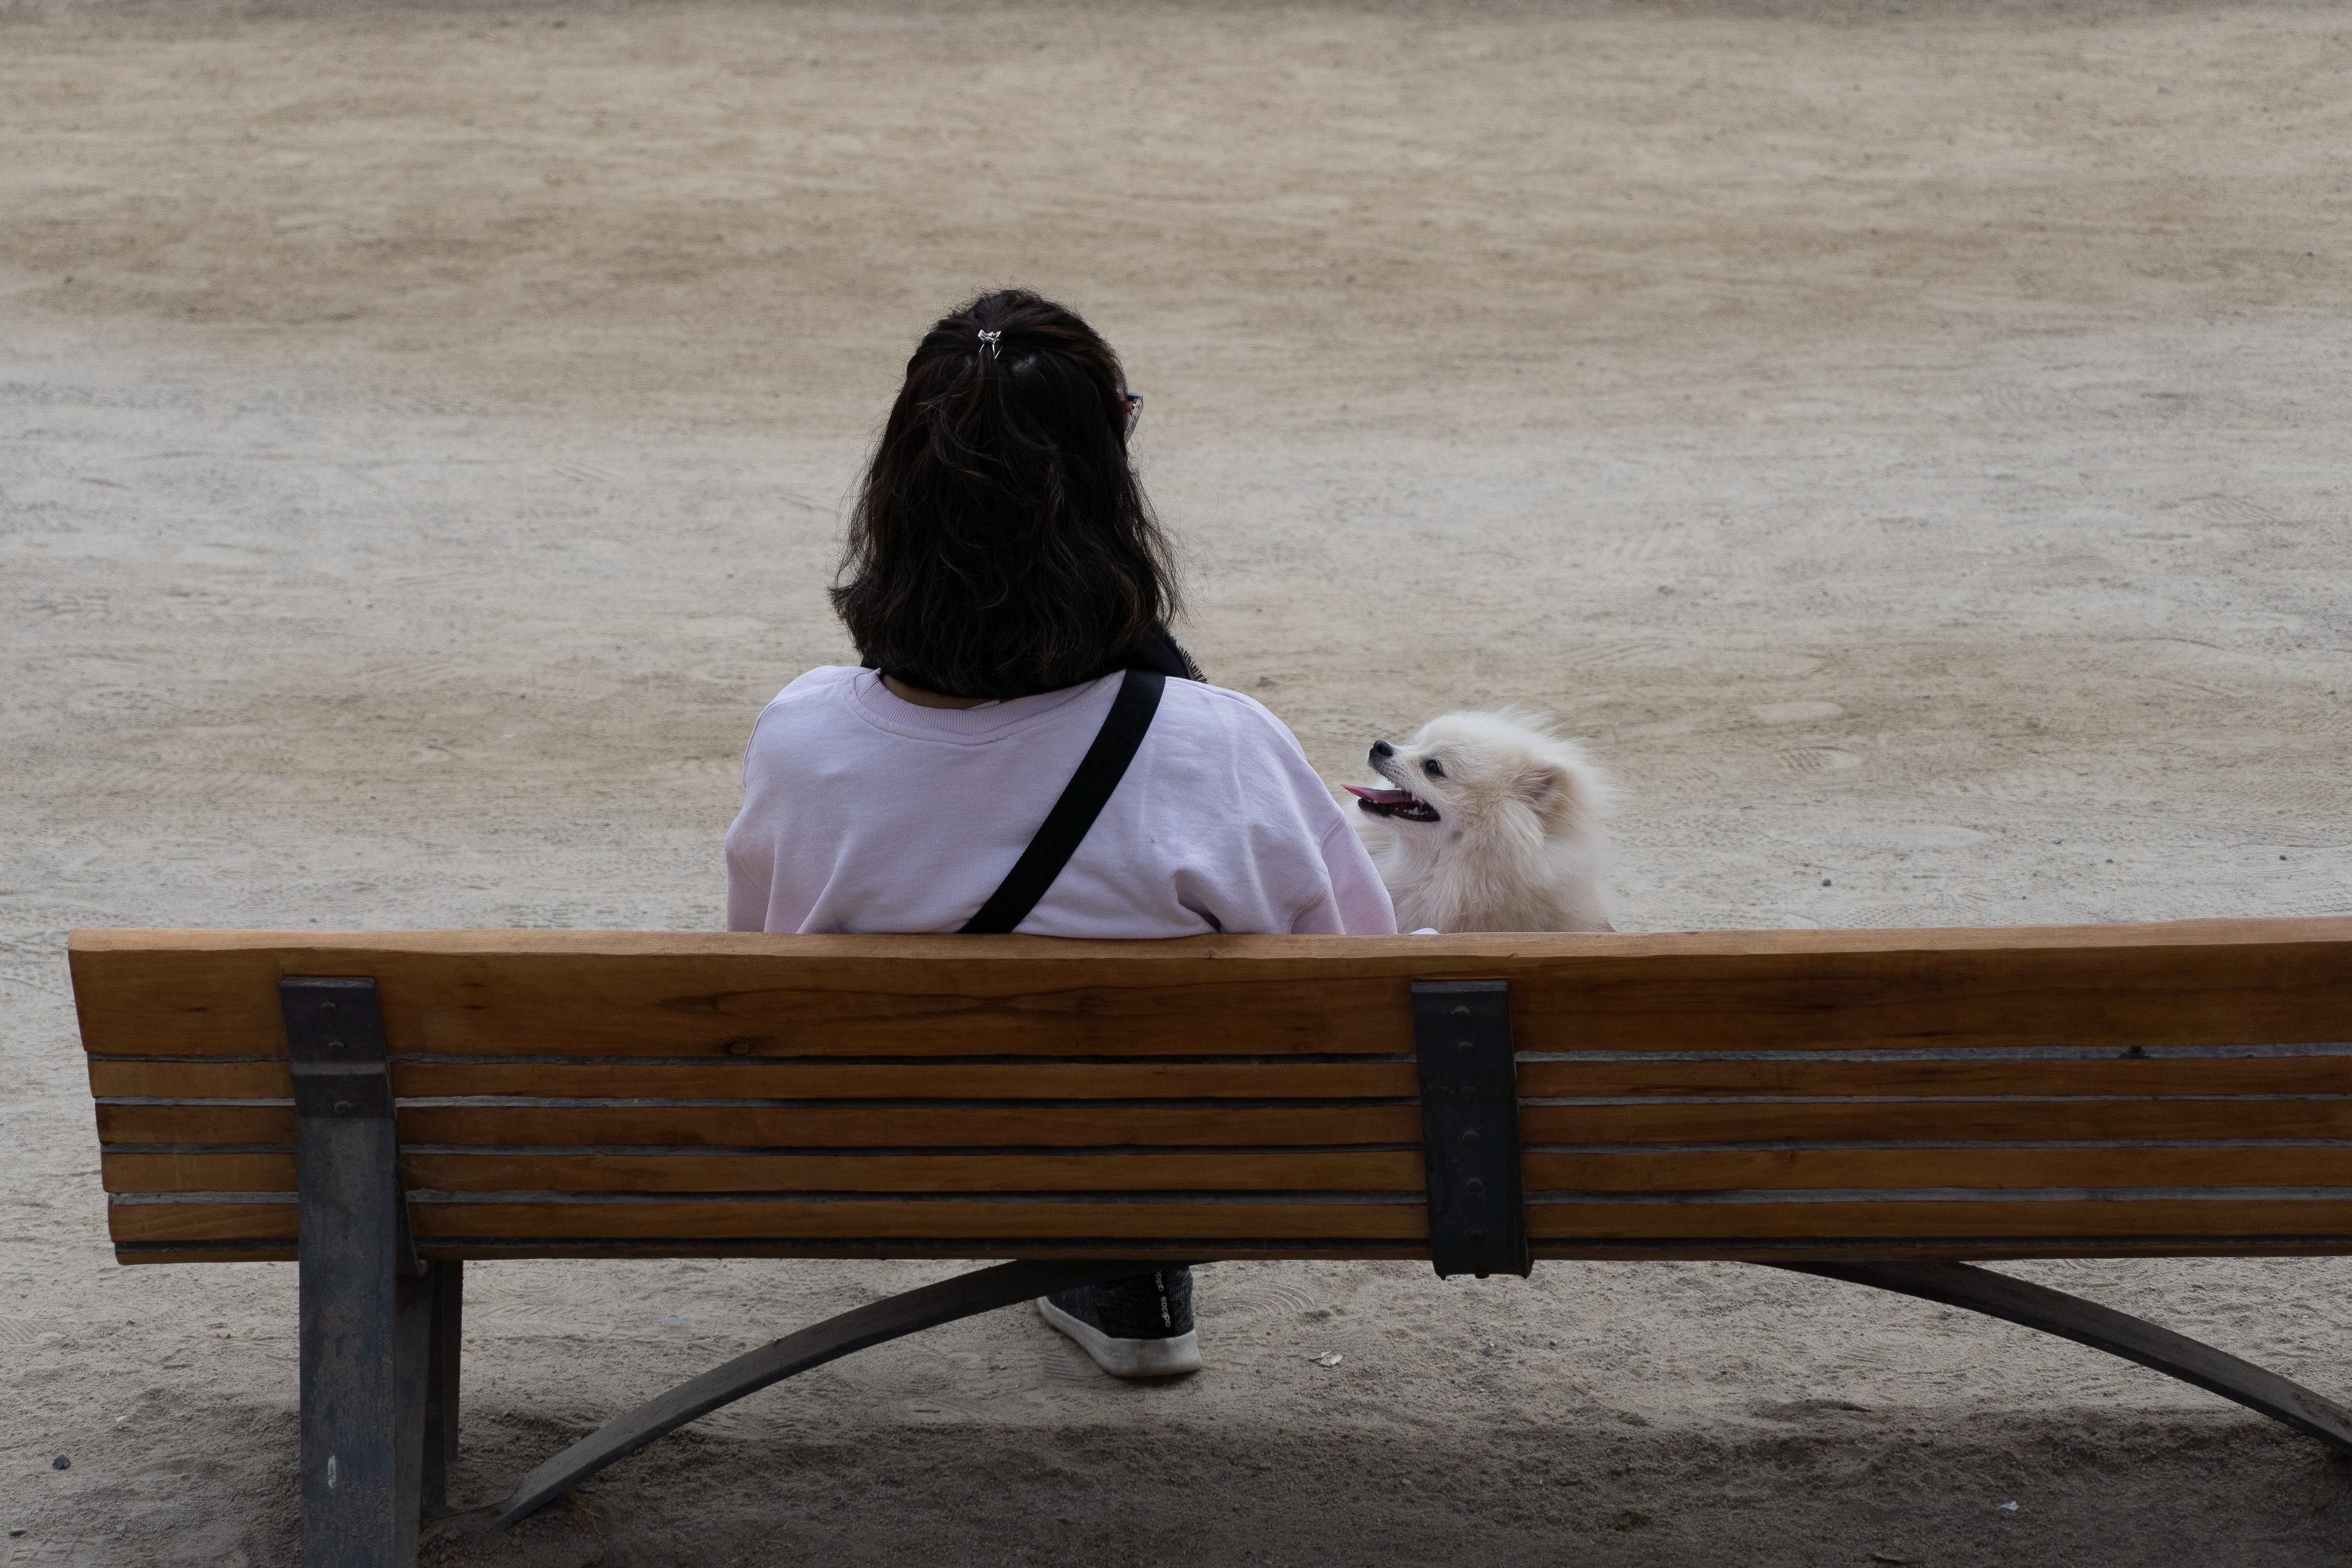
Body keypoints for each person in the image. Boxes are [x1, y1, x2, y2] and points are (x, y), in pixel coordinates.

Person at [726, 288, 1397, 1378]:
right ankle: (1125, 1253)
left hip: (874, 1151)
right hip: (1173, 1150)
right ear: (1110, 481)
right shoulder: (1217, 744)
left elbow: (764, 961)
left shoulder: (803, 737)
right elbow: (1359, 991)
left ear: (899, 488)